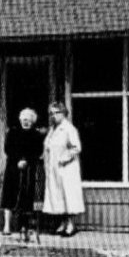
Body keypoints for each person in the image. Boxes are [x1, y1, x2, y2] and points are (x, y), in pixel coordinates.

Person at [0, 107, 44, 236]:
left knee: (26, 197)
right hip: (13, 167)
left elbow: (38, 151)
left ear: (33, 121)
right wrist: (17, 160)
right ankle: (7, 225)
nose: (26, 122)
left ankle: (24, 226)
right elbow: (8, 149)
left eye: (29, 120)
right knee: (9, 196)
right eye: (24, 119)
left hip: (28, 169)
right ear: (20, 120)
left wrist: (27, 161)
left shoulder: (36, 135)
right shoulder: (12, 133)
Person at [42, 101, 84, 236]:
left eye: (56, 112)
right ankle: (62, 223)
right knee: (58, 196)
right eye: (51, 113)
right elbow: (48, 146)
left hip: (67, 169)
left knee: (68, 195)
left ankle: (71, 225)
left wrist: (63, 158)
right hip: (53, 169)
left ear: (64, 113)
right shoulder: (52, 130)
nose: (53, 116)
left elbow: (76, 147)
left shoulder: (69, 129)